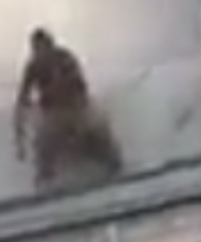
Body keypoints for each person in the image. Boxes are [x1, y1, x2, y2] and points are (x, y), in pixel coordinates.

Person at [13, 27, 123, 187]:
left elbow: (81, 85)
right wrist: (19, 139)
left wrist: (77, 108)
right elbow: (22, 99)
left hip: (77, 107)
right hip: (54, 113)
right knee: (44, 142)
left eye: (45, 47)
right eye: (38, 49)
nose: (43, 53)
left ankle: (115, 166)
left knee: (98, 131)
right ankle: (45, 182)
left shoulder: (64, 57)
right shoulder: (33, 66)